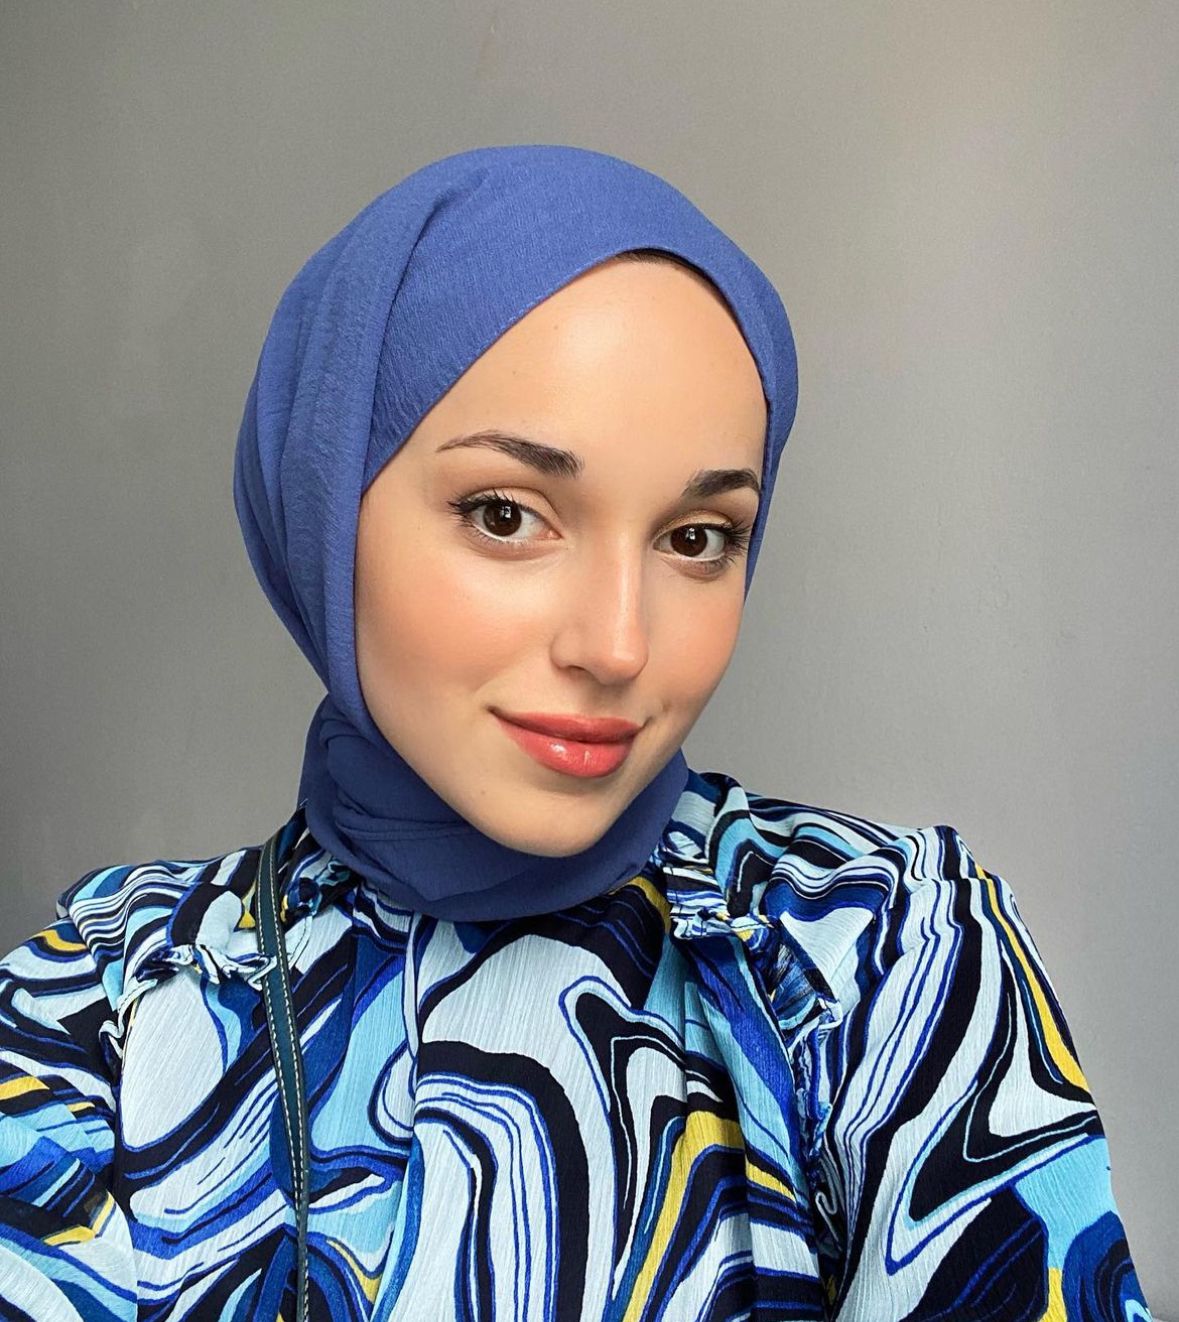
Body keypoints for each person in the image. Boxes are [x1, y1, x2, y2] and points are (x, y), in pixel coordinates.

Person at [0, 145, 1152, 1321]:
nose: (617, 644)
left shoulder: (882, 951)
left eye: (696, 537)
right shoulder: (108, 999)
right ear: (322, 503)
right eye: (507, 515)